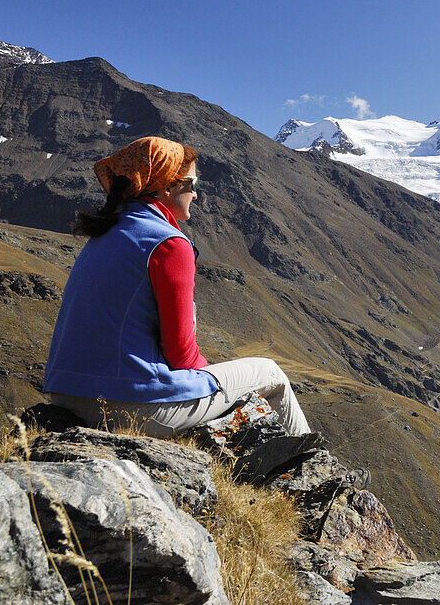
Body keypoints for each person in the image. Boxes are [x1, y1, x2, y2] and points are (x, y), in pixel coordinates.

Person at [44, 136, 313, 439]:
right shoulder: (168, 243)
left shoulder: (105, 232)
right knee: (270, 373)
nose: (196, 195)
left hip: (65, 395)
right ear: (167, 186)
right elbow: (181, 354)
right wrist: (205, 376)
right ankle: (321, 474)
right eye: (192, 184)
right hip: (129, 406)